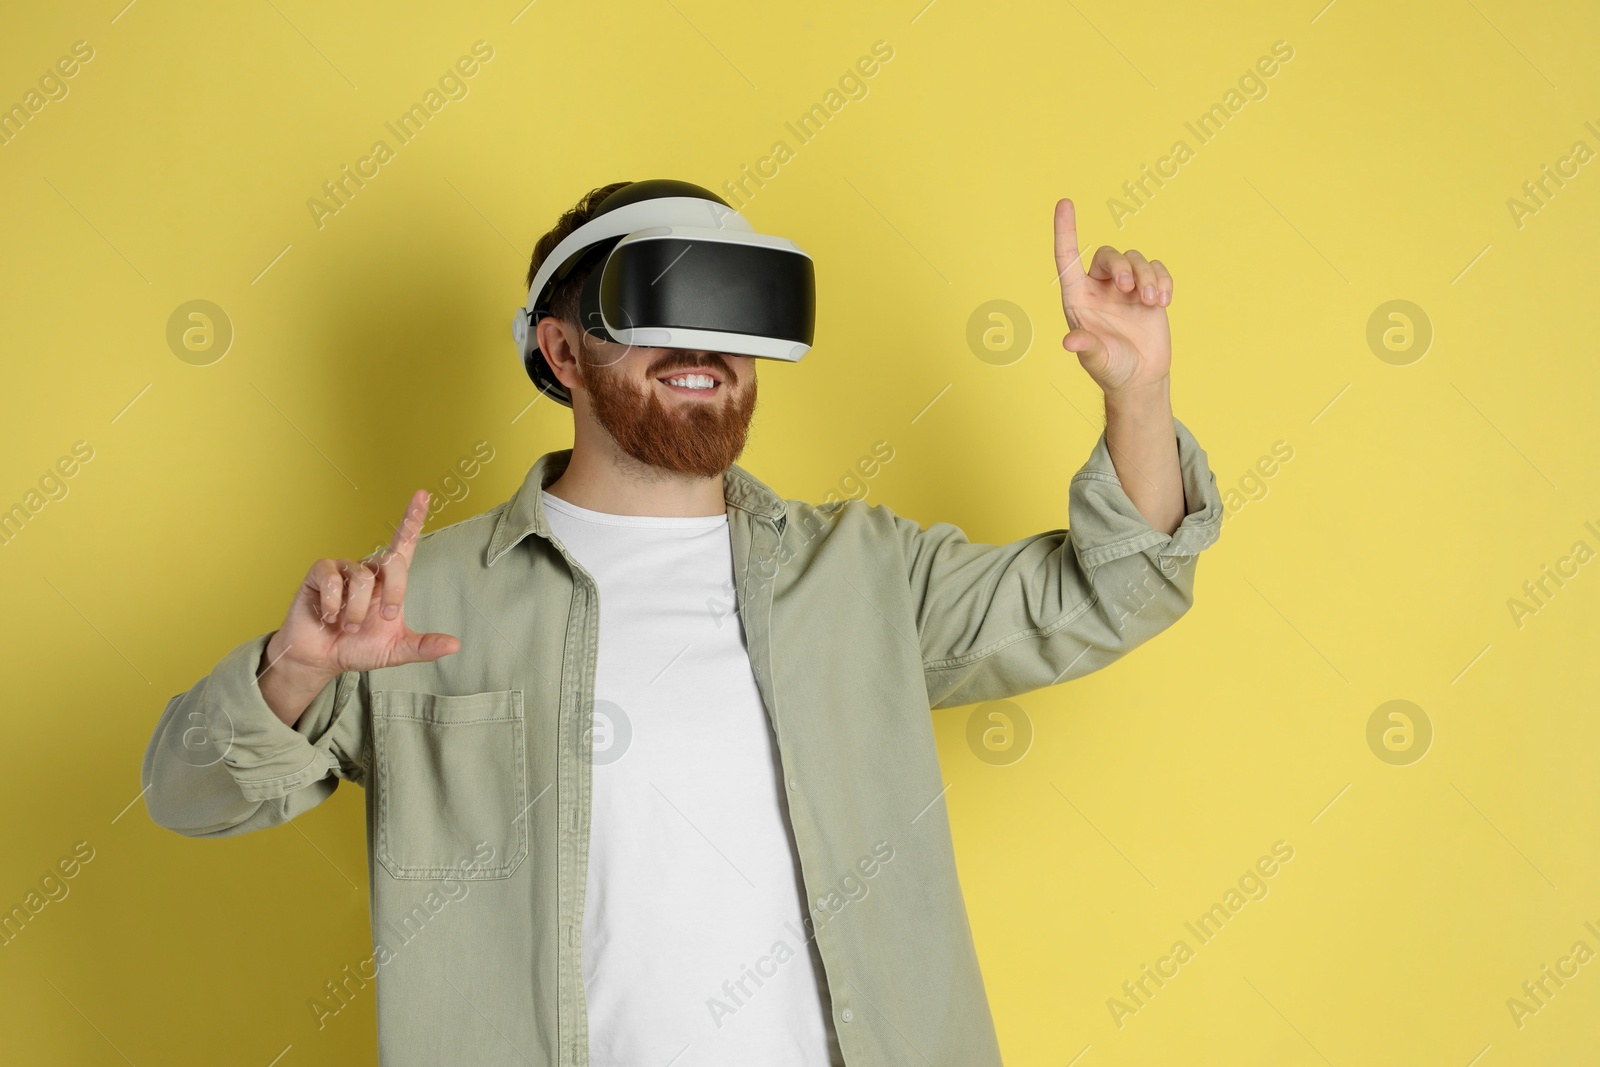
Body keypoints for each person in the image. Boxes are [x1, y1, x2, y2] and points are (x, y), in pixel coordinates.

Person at [142, 179, 1222, 1067]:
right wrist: (291, 670)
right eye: (661, 308)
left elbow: (1111, 592)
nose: (702, 345)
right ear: (563, 354)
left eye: (729, 314)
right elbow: (187, 794)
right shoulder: (415, 602)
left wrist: (1139, 390)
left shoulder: (863, 573)